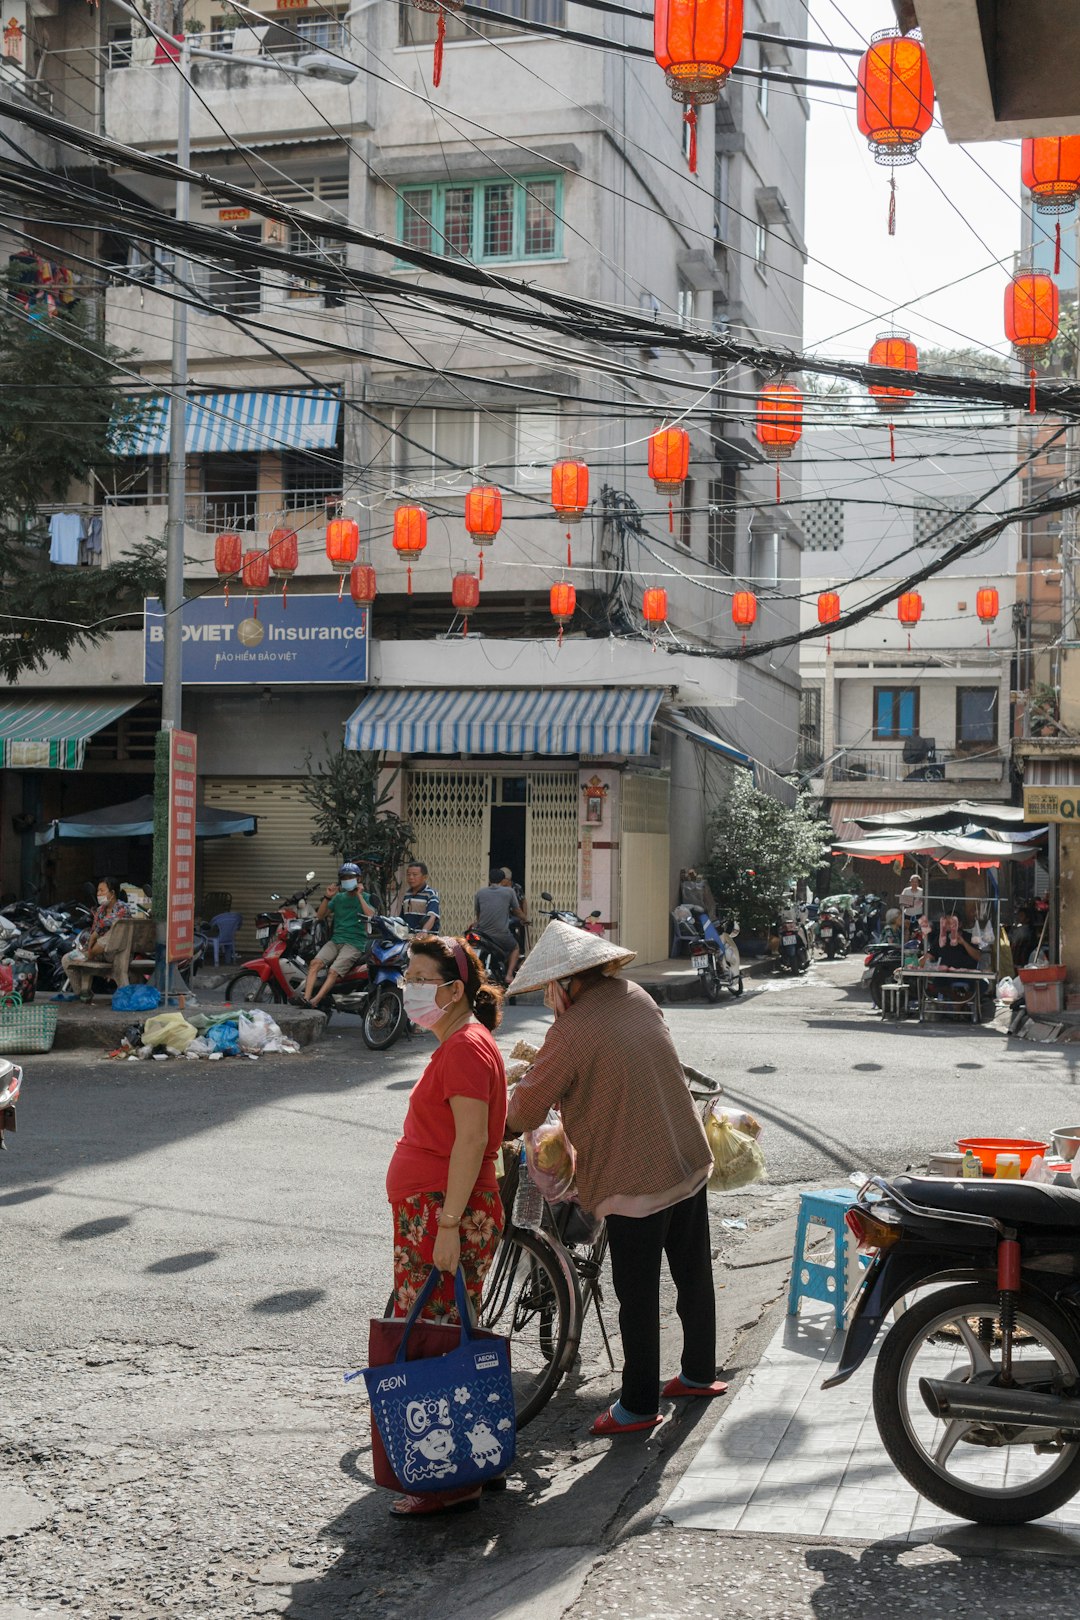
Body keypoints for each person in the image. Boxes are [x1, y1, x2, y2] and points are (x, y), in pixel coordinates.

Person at [505, 920, 724, 1438]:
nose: (548, 997)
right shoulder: (635, 996)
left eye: (550, 988)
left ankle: (638, 1406)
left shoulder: (573, 1028)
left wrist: (496, 1125)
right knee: (693, 1273)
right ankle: (698, 1374)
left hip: (635, 1180)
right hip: (686, 1155)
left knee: (637, 1294)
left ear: (567, 982)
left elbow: (526, 1110)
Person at [384, 934, 507, 1518]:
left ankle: (451, 1480)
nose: (408, 988)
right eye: (407, 977)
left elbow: (472, 1140)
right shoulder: (461, 1042)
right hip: (432, 1207)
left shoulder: (464, 1048)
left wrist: (450, 1223)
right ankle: (471, 1462)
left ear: (453, 990)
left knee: (437, 1341)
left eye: (419, 979)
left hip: (442, 1210)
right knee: (447, 1331)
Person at [300, 863, 374, 1009]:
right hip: (336, 940)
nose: (347, 880)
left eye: (350, 877)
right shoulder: (339, 898)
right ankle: (306, 998)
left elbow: (370, 915)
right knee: (314, 963)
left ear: (358, 879)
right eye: (344, 878)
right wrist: (327, 897)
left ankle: (315, 1001)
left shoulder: (366, 897)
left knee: (333, 971)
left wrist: (359, 895)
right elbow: (320, 916)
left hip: (354, 943)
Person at [61, 877, 125, 1002]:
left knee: (110, 935)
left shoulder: (122, 908)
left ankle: (90, 953)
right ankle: (80, 993)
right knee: (67, 959)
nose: (98, 894)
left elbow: (106, 925)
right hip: (97, 952)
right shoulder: (100, 911)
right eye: (98, 891)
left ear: (112, 893)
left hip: (117, 953)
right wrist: (88, 946)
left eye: (102, 891)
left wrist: (95, 935)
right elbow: (93, 932)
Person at [474, 867, 526, 983]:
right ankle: (509, 975)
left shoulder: (480, 893)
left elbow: (478, 913)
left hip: (482, 934)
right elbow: (517, 911)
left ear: (489, 880)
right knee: (515, 948)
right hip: (501, 934)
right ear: (503, 880)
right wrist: (525, 919)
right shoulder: (509, 892)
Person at [396, 861, 440, 934]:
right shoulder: (407, 895)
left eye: (415, 875)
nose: (411, 877)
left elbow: (432, 916)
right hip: (409, 937)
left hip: (427, 938)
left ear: (424, 877)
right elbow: (402, 919)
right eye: (408, 875)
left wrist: (424, 931)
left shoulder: (431, 894)